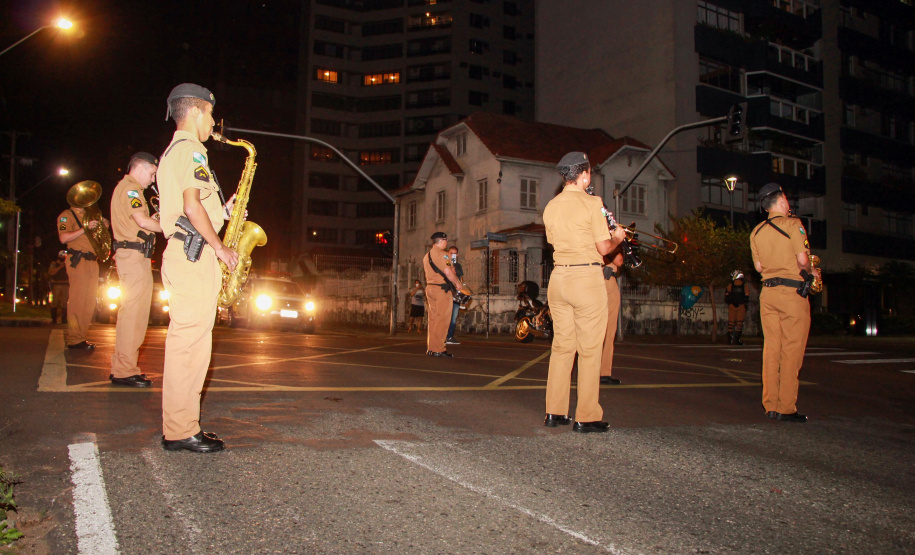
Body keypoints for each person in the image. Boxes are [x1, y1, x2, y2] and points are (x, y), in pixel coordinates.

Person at [159, 83, 239, 453]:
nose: (213, 123)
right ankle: (178, 430)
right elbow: (191, 208)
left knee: (193, 343)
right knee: (188, 344)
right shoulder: (191, 150)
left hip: (191, 250)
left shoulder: (179, 152)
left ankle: (184, 424)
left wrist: (224, 213)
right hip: (193, 254)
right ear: (195, 111)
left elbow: (197, 209)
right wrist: (221, 248)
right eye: (210, 114)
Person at [542, 152, 625, 433]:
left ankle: (555, 411)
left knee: (562, 347)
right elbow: (603, 248)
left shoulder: (551, 206)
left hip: (559, 278)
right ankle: (586, 416)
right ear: (584, 175)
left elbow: (554, 242)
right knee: (590, 350)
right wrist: (618, 237)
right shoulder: (592, 202)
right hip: (586, 279)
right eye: (589, 172)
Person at [750, 182, 819, 424]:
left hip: (768, 294)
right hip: (792, 294)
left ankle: (770, 405)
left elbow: (759, 267)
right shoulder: (793, 224)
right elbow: (802, 261)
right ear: (781, 201)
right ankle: (786, 407)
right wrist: (813, 271)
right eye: (787, 199)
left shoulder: (756, 232)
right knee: (791, 351)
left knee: (771, 350)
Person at [108, 152, 162, 388]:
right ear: (141, 168)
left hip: (136, 255)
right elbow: (143, 222)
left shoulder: (129, 189)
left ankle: (125, 367)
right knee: (132, 315)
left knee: (137, 315)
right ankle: (123, 370)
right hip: (132, 255)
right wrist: (171, 226)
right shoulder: (130, 189)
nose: (152, 180)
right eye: (151, 174)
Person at [57, 193, 108, 350]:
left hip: (93, 261)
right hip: (77, 261)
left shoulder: (89, 215)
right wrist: (85, 228)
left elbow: (101, 232)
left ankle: (81, 337)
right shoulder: (66, 216)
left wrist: (103, 223)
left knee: (89, 302)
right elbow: (64, 238)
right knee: (78, 300)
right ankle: (74, 339)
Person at [422, 232, 463, 358]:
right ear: (441, 241)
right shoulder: (443, 255)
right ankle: (439, 349)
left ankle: (431, 348)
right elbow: (448, 273)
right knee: (443, 319)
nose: (446, 242)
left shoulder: (426, 256)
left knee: (433, 319)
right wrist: (458, 283)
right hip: (442, 290)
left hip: (430, 288)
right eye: (446, 240)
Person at [598, 249, 625, 386]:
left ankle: (590, 371)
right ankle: (603, 373)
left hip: (592, 281)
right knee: (608, 330)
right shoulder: (607, 236)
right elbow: (618, 260)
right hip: (607, 281)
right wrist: (618, 241)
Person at [445, 245, 464, 345]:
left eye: (454, 253)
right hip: (447, 292)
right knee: (445, 315)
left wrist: (462, 291)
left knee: (454, 316)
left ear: (457, 255)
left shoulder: (458, 266)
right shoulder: (445, 263)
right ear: (448, 253)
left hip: (456, 293)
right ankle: (443, 336)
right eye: (451, 253)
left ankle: (450, 336)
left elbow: (460, 279)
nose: (453, 255)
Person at [725, 269, 749, 345]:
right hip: (741, 306)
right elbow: (747, 297)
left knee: (731, 323)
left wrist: (731, 302)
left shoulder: (730, 286)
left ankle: (730, 339)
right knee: (739, 323)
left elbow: (726, 297)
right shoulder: (745, 286)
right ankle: (737, 340)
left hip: (732, 306)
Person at [48, 250, 69, 325]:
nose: (63, 257)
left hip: (65, 285)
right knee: (55, 302)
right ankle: (54, 319)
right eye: (62, 256)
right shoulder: (54, 263)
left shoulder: (68, 264)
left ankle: (64, 319)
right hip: (56, 285)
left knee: (65, 303)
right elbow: (51, 272)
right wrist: (60, 267)